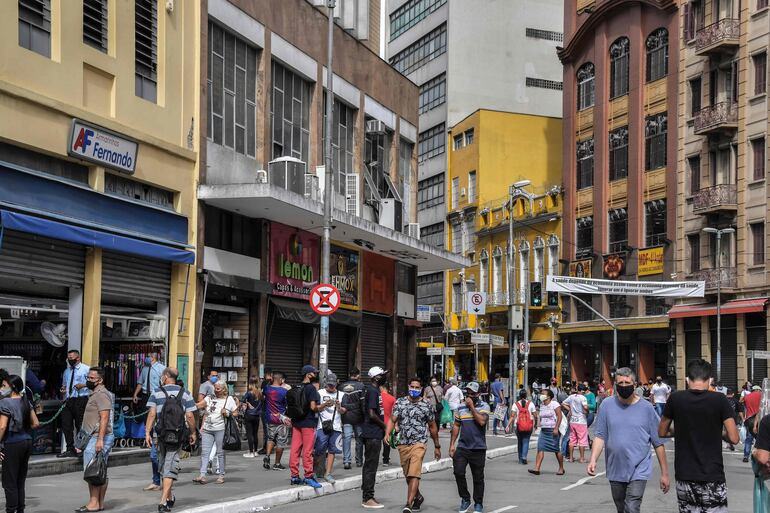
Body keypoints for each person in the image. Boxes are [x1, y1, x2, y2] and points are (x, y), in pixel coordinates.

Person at [658, 359, 739, 513]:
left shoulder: (675, 398)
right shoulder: (720, 400)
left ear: (687, 380)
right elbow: (734, 438)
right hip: (712, 475)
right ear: (710, 380)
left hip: (684, 475)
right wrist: (718, 432)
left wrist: (682, 428)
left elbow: (662, 431)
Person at [587, 367, 669, 513]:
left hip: (639, 468)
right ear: (615, 385)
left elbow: (658, 443)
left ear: (635, 384)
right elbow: (600, 436)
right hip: (615, 468)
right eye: (621, 383)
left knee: (632, 507)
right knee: (621, 507)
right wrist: (593, 459)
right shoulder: (606, 405)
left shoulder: (647, 408)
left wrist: (664, 474)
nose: (624, 386)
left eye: (627, 382)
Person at [144, 368, 197, 513]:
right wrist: (193, 433)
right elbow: (190, 416)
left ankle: (163, 501)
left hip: (160, 434)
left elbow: (152, 413)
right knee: (168, 465)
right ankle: (169, 497)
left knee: (163, 465)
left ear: (166, 377)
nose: (161, 378)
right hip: (177, 435)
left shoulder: (156, 392)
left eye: (162, 376)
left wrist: (147, 432)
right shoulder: (185, 393)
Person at [384, 377, 440, 513]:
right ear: (409, 387)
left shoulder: (427, 405)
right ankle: (418, 496)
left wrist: (437, 446)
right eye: (412, 387)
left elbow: (432, 426)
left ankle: (408, 503)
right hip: (403, 443)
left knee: (414, 473)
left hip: (419, 443)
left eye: (417, 388)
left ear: (421, 389)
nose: (414, 390)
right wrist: (387, 433)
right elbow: (393, 419)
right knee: (408, 475)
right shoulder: (400, 402)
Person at [75, 367, 114, 512]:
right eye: (88, 377)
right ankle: (99, 503)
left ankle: (93, 503)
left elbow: (104, 418)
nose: (88, 380)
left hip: (98, 437)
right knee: (99, 470)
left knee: (93, 470)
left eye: (92, 378)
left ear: (100, 380)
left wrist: (100, 440)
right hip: (94, 436)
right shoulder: (95, 393)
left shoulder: (102, 395)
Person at [0, 373, 39, 513]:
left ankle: (11, 509)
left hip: (12, 443)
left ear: (13, 387)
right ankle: (20, 510)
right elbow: (36, 423)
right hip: (26, 441)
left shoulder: (5, 403)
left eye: (4, 386)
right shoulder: (25, 401)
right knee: (19, 481)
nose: (1, 388)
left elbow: (2, 427)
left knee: (9, 482)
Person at [450, 382, 489, 513]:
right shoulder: (460, 407)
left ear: (478, 394)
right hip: (462, 447)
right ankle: (465, 498)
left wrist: (472, 407)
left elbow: (482, 421)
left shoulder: (484, 406)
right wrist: (452, 445)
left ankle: (478, 503)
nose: (469, 395)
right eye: (468, 393)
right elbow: (456, 425)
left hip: (478, 448)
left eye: (472, 393)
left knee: (478, 477)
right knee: (458, 472)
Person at [192, 380, 238, 485]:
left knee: (220, 453)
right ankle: (202, 475)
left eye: (218, 389)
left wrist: (227, 413)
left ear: (224, 390)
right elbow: (198, 405)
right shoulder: (209, 398)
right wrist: (188, 403)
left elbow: (235, 413)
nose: (216, 391)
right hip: (208, 428)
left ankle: (221, 475)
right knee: (205, 452)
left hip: (220, 429)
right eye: (215, 388)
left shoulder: (229, 399)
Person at [289, 365, 326, 489]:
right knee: (307, 451)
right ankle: (308, 476)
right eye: (313, 373)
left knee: (294, 450)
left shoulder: (296, 387)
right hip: (308, 423)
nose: (315, 375)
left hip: (296, 422)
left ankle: (294, 476)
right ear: (308, 375)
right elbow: (313, 407)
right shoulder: (311, 388)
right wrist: (324, 405)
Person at [361, 366, 388, 509]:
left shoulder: (374, 390)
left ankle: (368, 495)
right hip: (372, 433)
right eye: (383, 375)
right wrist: (385, 426)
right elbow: (371, 414)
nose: (385, 377)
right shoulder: (372, 391)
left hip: (373, 433)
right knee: (370, 466)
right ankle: (367, 498)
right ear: (377, 378)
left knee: (370, 465)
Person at [315, 373, 346, 484]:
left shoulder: (341, 394)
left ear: (337, 383)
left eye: (333, 385)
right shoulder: (319, 393)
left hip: (336, 426)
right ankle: (316, 471)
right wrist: (325, 404)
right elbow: (315, 408)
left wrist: (338, 406)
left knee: (332, 450)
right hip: (322, 426)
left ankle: (328, 473)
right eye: (329, 385)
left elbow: (343, 411)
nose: (331, 387)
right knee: (319, 449)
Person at [59, 349, 90, 458]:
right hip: (68, 400)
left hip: (81, 399)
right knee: (66, 425)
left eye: (71, 358)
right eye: (68, 358)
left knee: (80, 424)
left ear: (78, 358)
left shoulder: (86, 369)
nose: (69, 360)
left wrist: (83, 385)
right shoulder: (67, 371)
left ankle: (81, 448)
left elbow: (93, 382)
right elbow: (64, 385)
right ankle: (70, 448)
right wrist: (63, 389)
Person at [528, 388, 565, 476]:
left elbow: (559, 416)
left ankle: (561, 468)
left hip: (552, 430)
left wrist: (556, 428)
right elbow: (541, 416)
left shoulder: (554, 404)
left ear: (548, 396)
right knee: (540, 448)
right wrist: (537, 425)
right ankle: (537, 468)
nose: (541, 395)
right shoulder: (542, 405)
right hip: (543, 431)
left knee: (556, 449)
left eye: (543, 394)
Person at [262, 371, 289, 471]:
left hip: (270, 418)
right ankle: (277, 463)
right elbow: (287, 404)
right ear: (281, 380)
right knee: (280, 442)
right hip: (281, 419)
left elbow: (263, 395)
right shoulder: (284, 391)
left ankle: (267, 456)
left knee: (271, 438)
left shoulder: (267, 389)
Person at [341, 368, 366, 470]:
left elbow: (341, 402)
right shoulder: (361, 386)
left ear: (349, 374)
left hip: (346, 416)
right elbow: (363, 403)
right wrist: (365, 416)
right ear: (358, 375)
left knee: (346, 438)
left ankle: (347, 461)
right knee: (359, 439)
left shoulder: (341, 386)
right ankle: (359, 461)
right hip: (358, 417)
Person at [507, 389, 536, 465]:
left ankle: (520, 459)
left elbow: (512, 416)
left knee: (520, 442)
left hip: (518, 426)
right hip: (528, 426)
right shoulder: (531, 404)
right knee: (526, 441)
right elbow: (535, 415)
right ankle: (524, 457)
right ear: (526, 396)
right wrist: (535, 425)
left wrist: (507, 425)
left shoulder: (515, 404)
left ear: (519, 396)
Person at [563, 384, 590, 463]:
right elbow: (585, 407)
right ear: (582, 390)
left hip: (573, 420)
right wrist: (587, 411)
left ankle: (571, 458)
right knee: (582, 439)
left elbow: (563, 403)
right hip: (581, 420)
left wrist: (570, 410)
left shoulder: (572, 396)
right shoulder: (583, 398)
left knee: (572, 439)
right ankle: (582, 458)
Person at [241, 379, 262, 458]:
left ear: (250, 384)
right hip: (257, 416)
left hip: (249, 415)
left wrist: (247, 403)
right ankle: (256, 451)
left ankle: (250, 452)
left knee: (249, 434)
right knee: (255, 433)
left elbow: (242, 400)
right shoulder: (260, 393)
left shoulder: (249, 393)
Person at [742, 384, 762, 463]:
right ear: (758, 390)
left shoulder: (747, 396)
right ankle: (759, 456)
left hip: (749, 419)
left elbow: (741, 402)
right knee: (760, 438)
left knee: (749, 438)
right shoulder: (762, 395)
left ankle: (746, 456)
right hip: (760, 419)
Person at [380, 382, 395, 466]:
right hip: (388, 423)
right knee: (386, 442)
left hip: (378, 422)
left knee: (376, 441)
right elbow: (394, 413)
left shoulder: (378, 397)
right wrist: (395, 425)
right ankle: (385, 460)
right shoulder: (392, 398)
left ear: (382, 387)